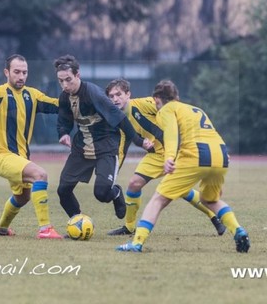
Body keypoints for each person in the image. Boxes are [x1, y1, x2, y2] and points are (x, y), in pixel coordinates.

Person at [116, 80, 250, 253]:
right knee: (210, 200)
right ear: (176, 97)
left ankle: (137, 243)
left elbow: (171, 135)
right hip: (220, 154)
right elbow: (212, 132)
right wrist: (222, 155)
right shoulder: (195, 109)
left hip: (194, 155)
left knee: (158, 200)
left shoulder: (166, 109)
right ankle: (239, 231)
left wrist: (170, 157)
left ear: (157, 99)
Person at [105, 78, 226, 236]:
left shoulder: (146, 103)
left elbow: (174, 112)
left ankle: (214, 216)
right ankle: (129, 227)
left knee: (181, 190)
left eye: (118, 94)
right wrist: (113, 174)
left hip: (173, 151)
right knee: (134, 184)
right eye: (111, 96)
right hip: (155, 155)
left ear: (128, 94)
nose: (115, 99)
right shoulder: (121, 120)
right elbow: (121, 149)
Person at [0, 54, 62, 239]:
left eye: (24, 72)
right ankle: (45, 229)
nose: (21, 76)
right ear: (7, 72)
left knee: (23, 197)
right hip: (2, 156)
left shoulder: (32, 95)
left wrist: (77, 96)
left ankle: (1, 228)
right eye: (16, 72)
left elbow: (56, 105)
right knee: (40, 175)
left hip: (20, 158)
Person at [54, 55, 152, 220]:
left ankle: (115, 193)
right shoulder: (64, 97)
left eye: (68, 79)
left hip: (105, 146)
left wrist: (138, 141)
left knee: (101, 193)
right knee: (63, 190)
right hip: (81, 148)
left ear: (78, 75)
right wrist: (63, 133)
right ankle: (77, 221)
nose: (64, 85)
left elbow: (120, 119)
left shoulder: (94, 94)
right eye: (60, 81)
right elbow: (64, 120)